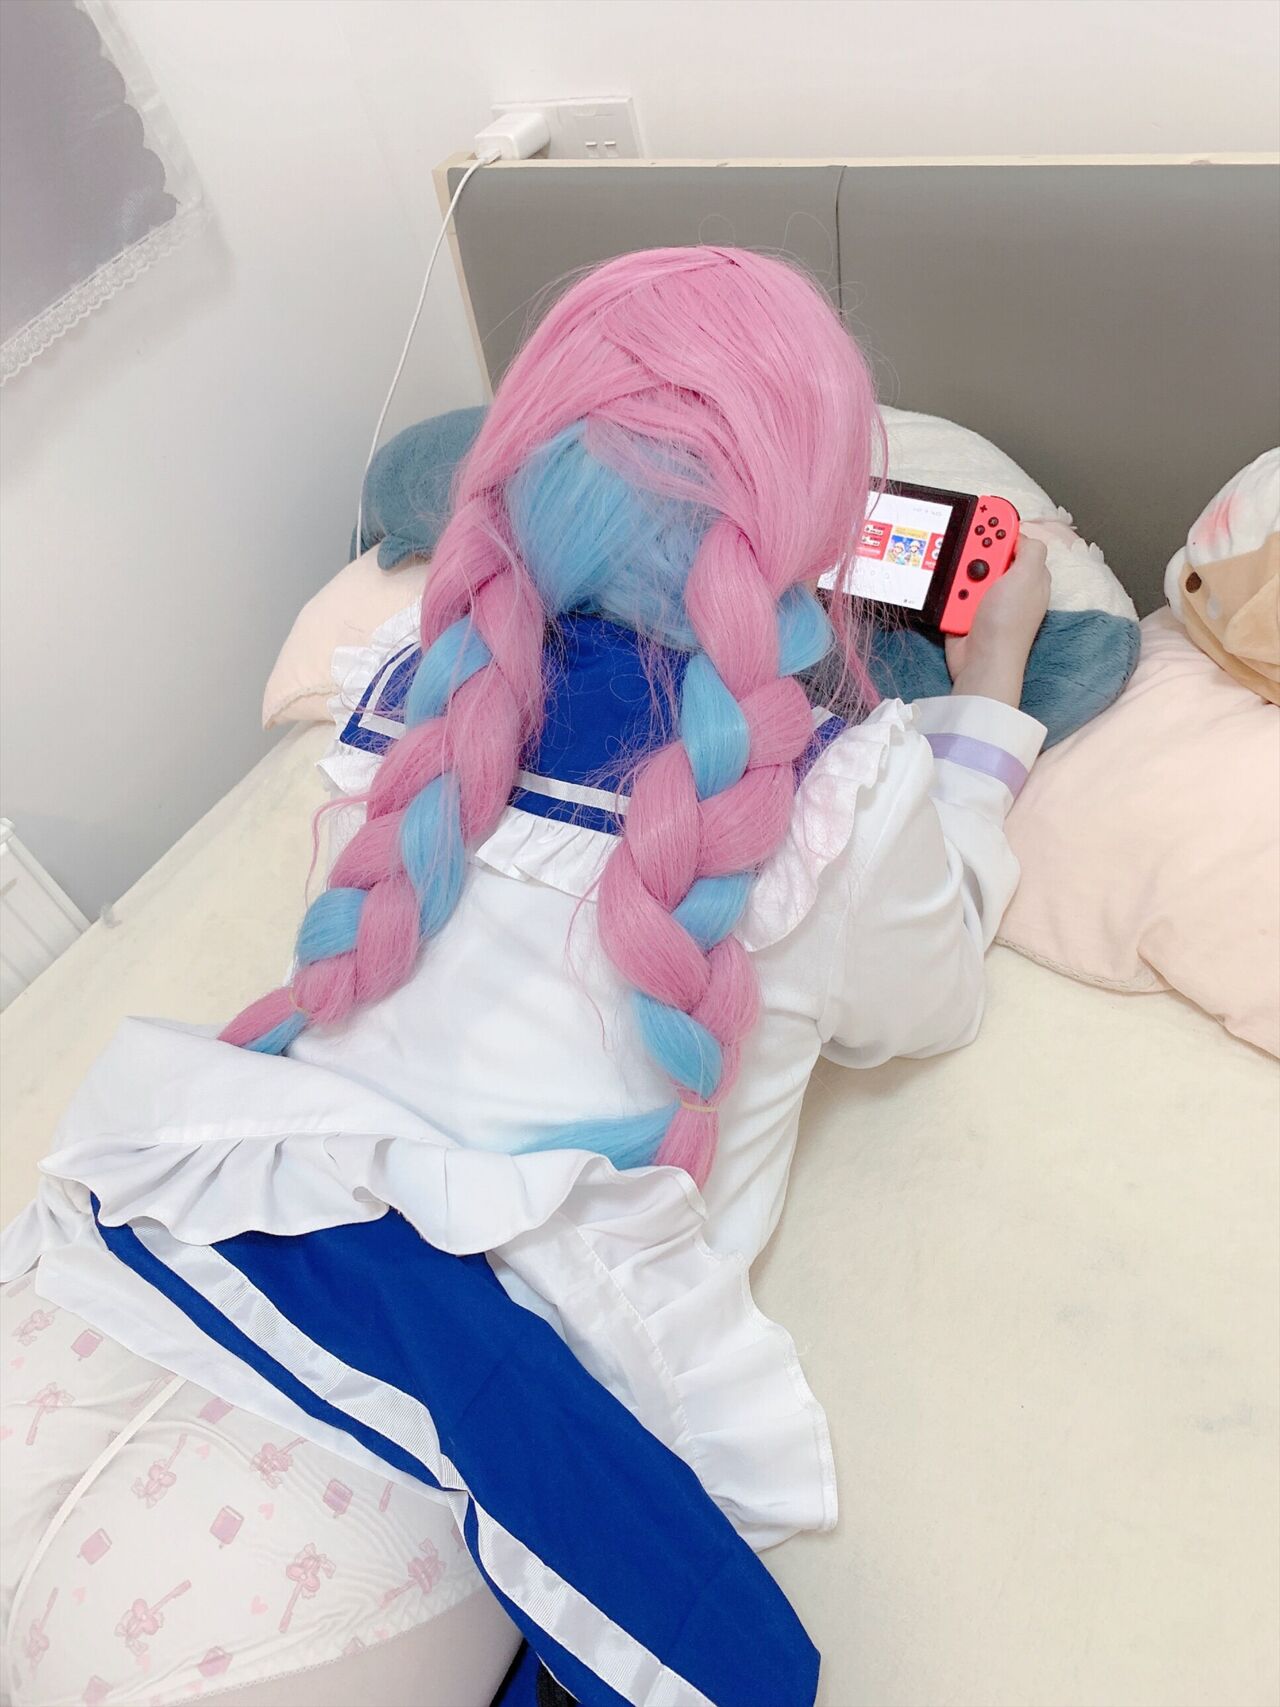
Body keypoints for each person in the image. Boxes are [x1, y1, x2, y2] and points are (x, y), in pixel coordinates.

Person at [0, 246, 1049, 1707]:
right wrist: (992, 692)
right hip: (380, 1474)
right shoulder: (846, 794)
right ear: (813, 521)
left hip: (125, 1282)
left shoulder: (404, 687)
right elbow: (933, 1003)